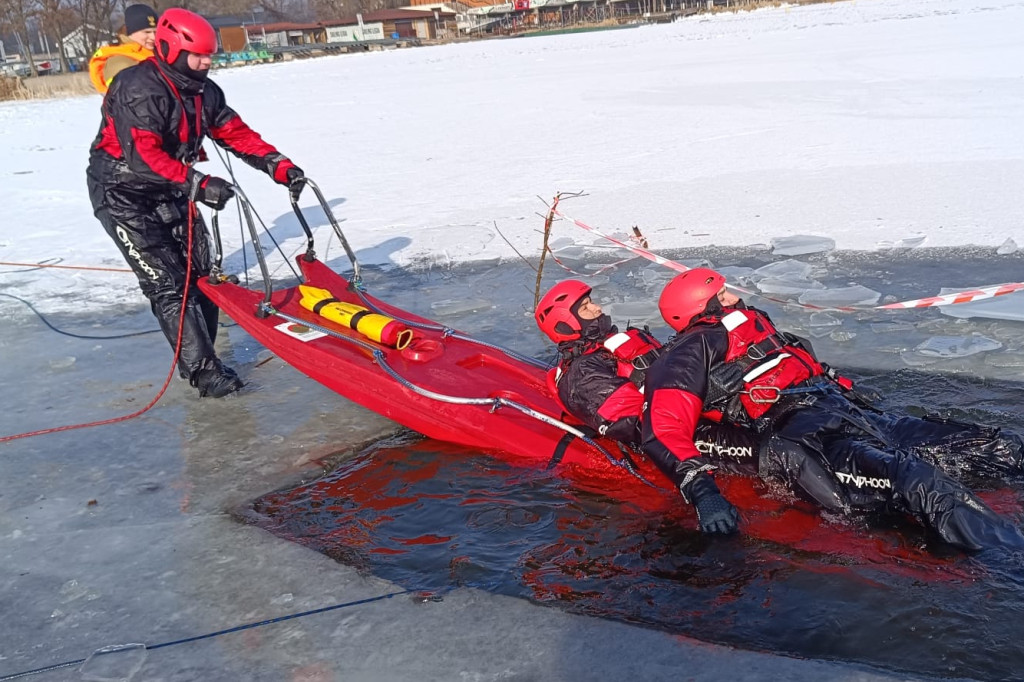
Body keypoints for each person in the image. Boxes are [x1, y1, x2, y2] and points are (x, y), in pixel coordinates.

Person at [642, 267, 1024, 550]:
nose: (732, 297)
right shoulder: (690, 351)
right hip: (808, 434)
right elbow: (663, 424)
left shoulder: (752, 325)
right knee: (917, 479)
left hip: (851, 413)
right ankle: (1009, 558)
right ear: (700, 308)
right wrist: (702, 491)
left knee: (998, 446)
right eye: (721, 295)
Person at [87, 8, 306, 398]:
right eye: (199, 55)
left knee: (202, 274)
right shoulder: (137, 87)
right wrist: (199, 183)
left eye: (210, 55)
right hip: (122, 192)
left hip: (172, 186)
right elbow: (143, 157)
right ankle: (203, 372)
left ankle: (208, 352)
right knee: (168, 284)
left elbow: (234, 132)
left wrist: (278, 165)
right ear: (172, 49)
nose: (207, 62)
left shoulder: (204, 90)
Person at [88, 4, 159, 94]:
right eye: (147, 32)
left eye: (156, 32)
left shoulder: (155, 54)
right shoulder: (119, 62)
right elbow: (131, 101)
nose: (153, 37)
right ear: (130, 32)